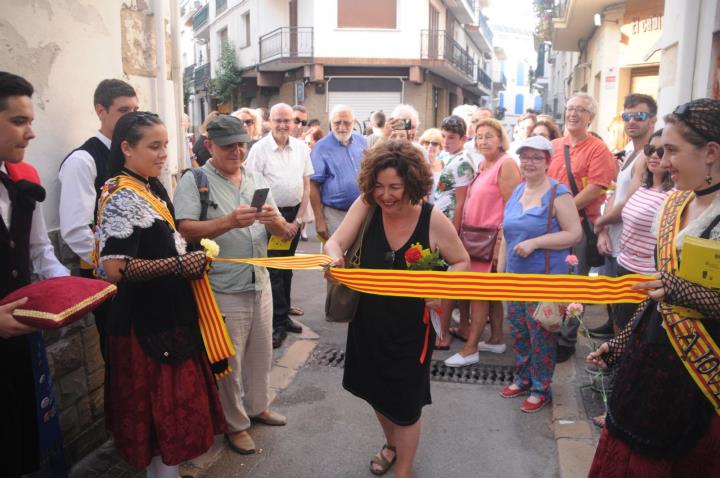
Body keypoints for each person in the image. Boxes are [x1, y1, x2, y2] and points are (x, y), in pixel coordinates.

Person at [586, 98, 720, 477]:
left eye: (673, 151)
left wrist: (683, 291)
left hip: (702, 385)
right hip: (650, 371)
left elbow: (671, 289)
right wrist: (624, 341)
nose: (662, 161)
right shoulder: (674, 204)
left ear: (710, 152)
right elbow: (658, 297)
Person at [324, 140, 470, 478]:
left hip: (411, 329)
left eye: (394, 187)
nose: (385, 195)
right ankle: (391, 445)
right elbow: (336, 241)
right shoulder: (366, 205)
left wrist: (441, 288)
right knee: (375, 389)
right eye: (378, 186)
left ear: (413, 184)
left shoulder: (432, 219)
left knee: (406, 404)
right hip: (367, 321)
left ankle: (404, 469)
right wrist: (334, 255)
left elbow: (461, 261)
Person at [95, 112, 226, 476]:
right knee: (157, 417)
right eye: (154, 146)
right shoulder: (121, 194)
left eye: (165, 144)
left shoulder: (149, 186)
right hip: (144, 323)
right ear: (126, 148)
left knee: (168, 420)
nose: (163, 153)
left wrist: (188, 258)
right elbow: (116, 269)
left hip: (167, 314)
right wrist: (180, 266)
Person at [175, 114, 290, 456]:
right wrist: (226, 222)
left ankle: (258, 406)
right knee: (230, 362)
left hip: (259, 281)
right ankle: (235, 425)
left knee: (260, 352)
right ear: (210, 146)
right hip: (223, 287)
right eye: (229, 146)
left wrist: (276, 222)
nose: (237, 151)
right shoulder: (195, 180)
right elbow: (184, 229)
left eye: (242, 144)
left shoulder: (253, 175)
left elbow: (281, 230)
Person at [0, 71, 70, 478]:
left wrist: (70, 290)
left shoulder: (25, 178)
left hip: (19, 348)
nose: (32, 133)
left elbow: (40, 251)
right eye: (19, 121)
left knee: (20, 443)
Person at [497, 135, 582, 412]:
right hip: (515, 277)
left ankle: (540, 387)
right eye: (525, 157)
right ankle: (523, 377)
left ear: (547, 162)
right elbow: (506, 235)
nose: (529, 162)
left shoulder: (559, 193)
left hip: (545, 279)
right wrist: (501, 272)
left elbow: (574, 233)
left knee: (542, 334)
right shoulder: (518, 191)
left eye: (536, 157)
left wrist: (536, 242)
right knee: (519, 331)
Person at [58, 78, 138, 350]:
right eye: (124, 111)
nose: (133, 117)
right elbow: (75, 230)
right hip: (107, 278)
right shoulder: (83, 161)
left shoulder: (131, 155)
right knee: (119, 356)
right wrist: (109, 269)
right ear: (100, 111)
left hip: (137, 271)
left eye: (135, 110)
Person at [446, 118, 521, 367]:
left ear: (500, 139)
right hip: (476, 238)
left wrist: (501, 242)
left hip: (491, 240)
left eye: (489, 136)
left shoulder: (506, 164)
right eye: (479, 136)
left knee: (479, 294)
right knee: (490, 293)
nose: (483, 141)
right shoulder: (482, 165)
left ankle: (470, 349)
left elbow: (512, 208)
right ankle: (497, 338)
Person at [547, 92, 616, 362]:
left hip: (578, 224)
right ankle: (548, 330)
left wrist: (563, 213)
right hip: (550, 223)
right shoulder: (552, 146)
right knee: (551, 280)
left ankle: (567, 338)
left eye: (581, 110)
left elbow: (595, 188)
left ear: (591, 117)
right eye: (570, 108)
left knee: (574, 283)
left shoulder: (599, 149)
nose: (573, 113)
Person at [247, 103, 314, 348]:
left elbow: (306, 185)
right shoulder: (259, 149)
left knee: (287, 268)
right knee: (274, 270)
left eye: (288, 120)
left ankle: (283, 317)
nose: (284, 125)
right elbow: (253, 188)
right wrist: (272, 221)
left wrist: (298, 220)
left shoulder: (301, 148)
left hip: (293, 215)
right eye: (279, 120)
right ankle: (275, 323)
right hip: (269, 216)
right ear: (269, 122)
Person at [591, 94, 658, 339]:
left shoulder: (648, 155)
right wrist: (604, 229)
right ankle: (612, 334)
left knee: (628, 310)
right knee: (612, 297)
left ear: (652, 120)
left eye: (639, 116)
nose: (632, 122)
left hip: (631, 243)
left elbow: (630, 201)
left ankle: (618, 358)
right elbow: (614, 193)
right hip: (614, 235)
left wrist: (599, 224)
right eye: (627, 116)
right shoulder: (630, 151)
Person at [431, 116, 475, 350]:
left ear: (463, 138)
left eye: (452, 137)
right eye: (445, 136)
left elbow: (461, 202)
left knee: (447, 283)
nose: (446, 141)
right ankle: (450, 328)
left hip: (448, 227)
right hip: (441, 223)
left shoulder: (463, 162)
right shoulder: (449, 157)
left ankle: (443, 334)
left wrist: (453, 235)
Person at [310, 104, 367, 243]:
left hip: (363, 211)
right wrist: (319, 220)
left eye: (347, 123)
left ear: (354, 123)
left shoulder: (361, 141)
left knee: (361, 258)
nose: (342, 127)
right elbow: (313, 185)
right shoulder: (321, 147)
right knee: (336, 259)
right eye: (337, 123)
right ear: (331, 123)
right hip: (335, 214)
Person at [418, 127, 444, 199]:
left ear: (440, 148)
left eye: (435, 143)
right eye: (427, 142)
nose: (430, 146)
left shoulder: (444, 165)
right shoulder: (417, 166)